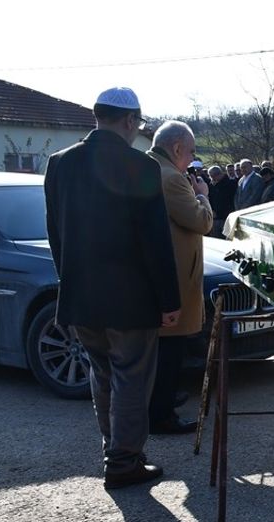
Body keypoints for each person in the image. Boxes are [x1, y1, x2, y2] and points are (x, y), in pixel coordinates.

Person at [43, 87, 180, 489]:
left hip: (82, 295)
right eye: (137, 122)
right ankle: (123, 462)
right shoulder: (139, 166)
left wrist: (67, 282)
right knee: (131, 379)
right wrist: (169, 300)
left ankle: (113, 451)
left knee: (101, 375)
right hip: (131, 299)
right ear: (128, 120)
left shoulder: (59, 164)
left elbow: (56, 235)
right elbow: (155, 242)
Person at [145, 121, 214, 436]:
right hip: (175, 279)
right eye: (190, 151)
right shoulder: (172, 178)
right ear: (175, 149)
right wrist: (203, 196)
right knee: (169, 351)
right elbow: (201, 222)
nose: (191, 158)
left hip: (163, 276)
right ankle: (162, 413)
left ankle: (161, 402)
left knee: (162, 352)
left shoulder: (150, 168)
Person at [206, 165, 236, 236]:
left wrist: (218, 213)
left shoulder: (230, 184)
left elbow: (227, 201)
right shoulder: (212, 185)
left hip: (226, 218)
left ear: (216, 175)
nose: (211, 179)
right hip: (215, 217)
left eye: (211, 176)